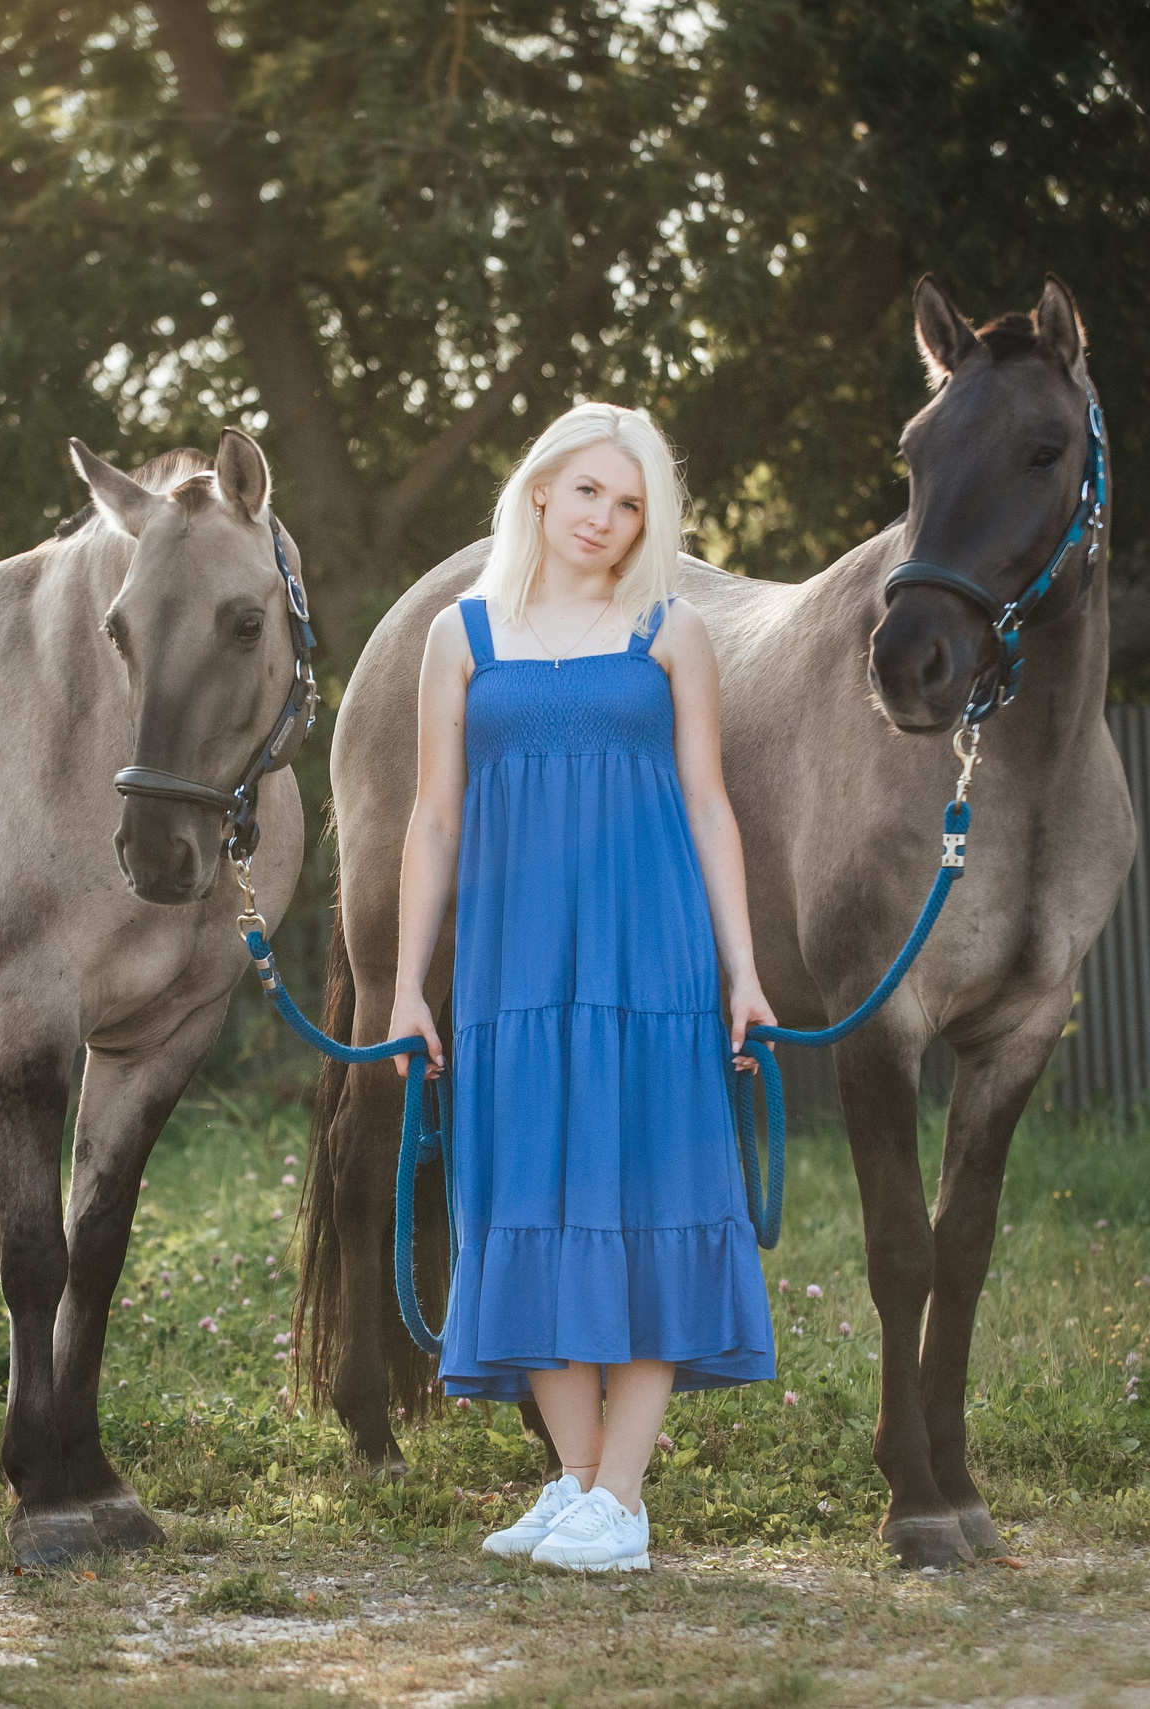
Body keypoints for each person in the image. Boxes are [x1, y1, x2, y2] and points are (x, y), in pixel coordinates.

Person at [387, 400, 778, 1573]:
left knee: (651, 1197)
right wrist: (409, 982)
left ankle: (622, 1493)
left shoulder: (670, 629)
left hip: (645, 958)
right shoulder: (460, 636)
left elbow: (710, 804)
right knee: (526, 1204)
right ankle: (574, 1483)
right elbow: (433, 815)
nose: (607, 519)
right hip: (511, 967)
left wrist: (743, 967)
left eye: (632, 502)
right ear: (542, 489)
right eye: (591, 491)